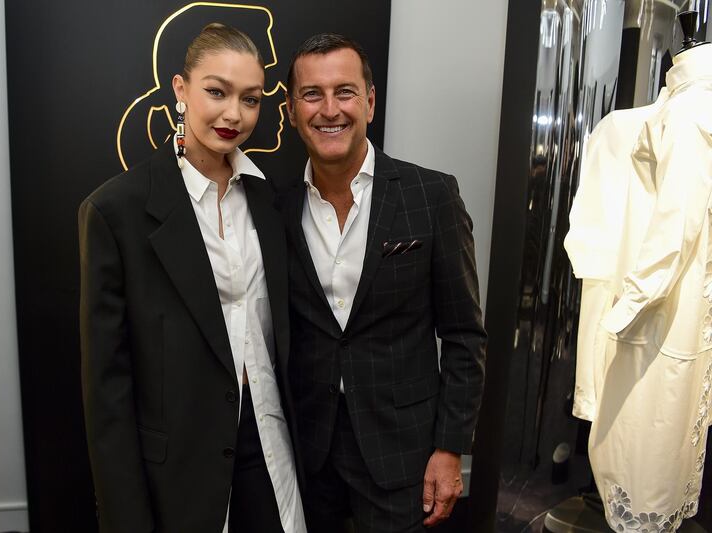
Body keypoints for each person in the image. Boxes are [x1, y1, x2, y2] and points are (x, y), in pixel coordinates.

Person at [79, 23, 305, 533]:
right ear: (180, 91)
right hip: (180, 472)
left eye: (251, 99)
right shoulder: (117, 211)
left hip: (272, 452)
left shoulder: (272, 203)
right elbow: (107, 392)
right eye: (216, 91)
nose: (234, 114)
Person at [278, 33, 487, 532]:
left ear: (370, 102)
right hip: (308, 453)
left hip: (404, 453)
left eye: (345, 92)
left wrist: (450, 446)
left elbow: (464, 336)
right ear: (290, 110)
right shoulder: (274, 208)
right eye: (312, 94)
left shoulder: (431, 195)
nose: (330, 109)